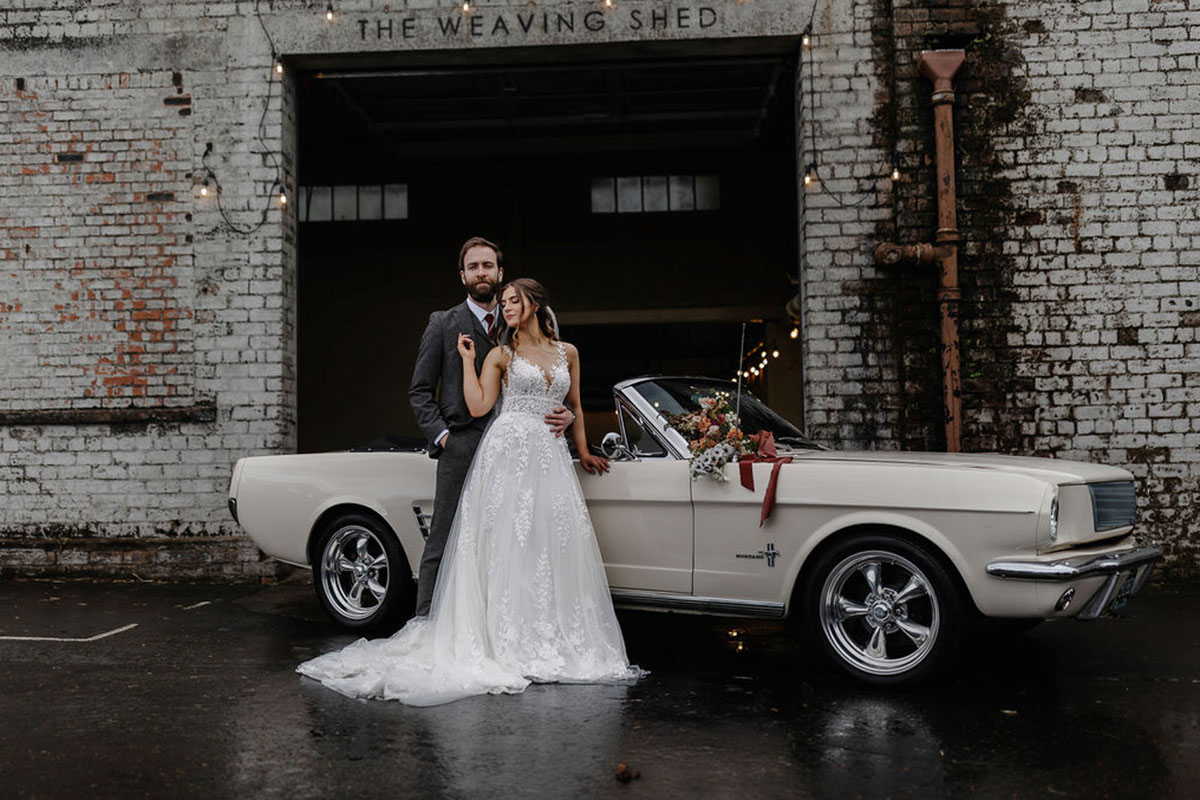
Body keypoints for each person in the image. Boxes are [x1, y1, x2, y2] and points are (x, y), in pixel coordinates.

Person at [297, 278, 643, 705]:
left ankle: (550, 636)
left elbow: (574, 405)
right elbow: (479, 406)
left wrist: (584, 449)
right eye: (504, 303)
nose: (506, 308)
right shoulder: (501, 353)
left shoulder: (568, 352)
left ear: (535, 304)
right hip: (508, 451)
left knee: (547, 545)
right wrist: (465, 360)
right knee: (508, 544)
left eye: (514, 301)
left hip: (550, 458)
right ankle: (504, 638)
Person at [407, 237, 573, 617]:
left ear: (500, 273)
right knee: (445, 538)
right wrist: (444, 437)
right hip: (463, 444)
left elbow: (549, 376)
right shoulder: (444, 323)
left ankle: (496, 624)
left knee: (513, 540)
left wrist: (568, 413)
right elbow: (419, 390)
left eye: (487, 265)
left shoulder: (518, 320)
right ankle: (428, 623)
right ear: (462, 275)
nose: (481, 273)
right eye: (473, 267)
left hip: (518, 450)